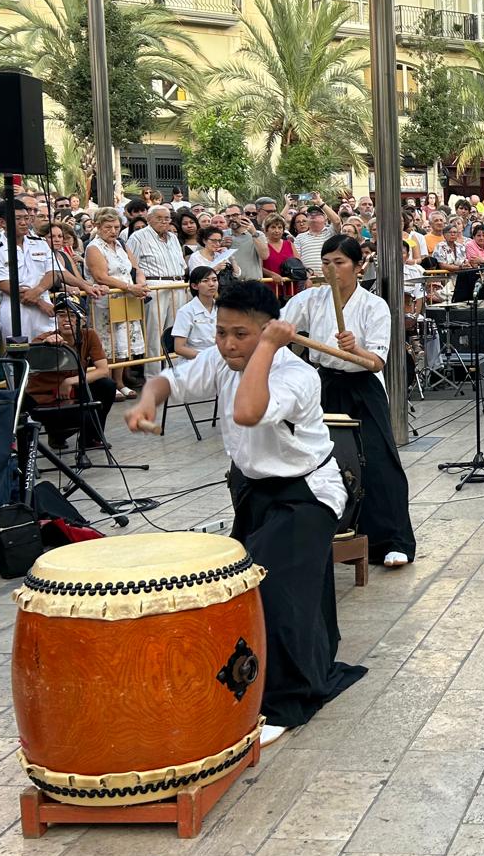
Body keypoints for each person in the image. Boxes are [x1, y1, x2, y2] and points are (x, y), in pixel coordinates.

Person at [126, 281, 366, 742]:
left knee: (272, 588)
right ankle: (291, 668)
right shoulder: (223, 358)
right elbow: (168, 379)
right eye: (221, 333)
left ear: (270, 331)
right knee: (271, 586)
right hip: (255, 490)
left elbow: (248, 412)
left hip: (308, 494)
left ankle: (285, 702)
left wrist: (271, 349)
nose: (228, 344)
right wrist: (147, 400)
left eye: (241, 334)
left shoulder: (296, 375)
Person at [280, 235, 416, 568]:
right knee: (322, 462)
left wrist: (354, 348)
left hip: (363, 386)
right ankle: (336, 535)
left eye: (339, 263)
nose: (331, 270)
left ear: (359, 265)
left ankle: (393, 540)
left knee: (378, 461)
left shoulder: (374, 306)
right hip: (325, 384)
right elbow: (280, 329)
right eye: (326, 263)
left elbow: (376, 362)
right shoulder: (311, 299)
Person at [26, 303, 115, 452]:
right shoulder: (45, 339)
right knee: (87, 416)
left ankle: (90, 439)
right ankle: (56, 433)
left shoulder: (89, 335)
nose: (66, 319)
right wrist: (45, 346)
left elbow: (103, 370)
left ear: (83, 320)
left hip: (72, 391)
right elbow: (31, 358)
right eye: (61, 315)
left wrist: (69, 381)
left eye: (72, 315)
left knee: (107, 385)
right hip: (46, 397)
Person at [85, 208, 150, 398]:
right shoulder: (93, 247)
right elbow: (100, 276)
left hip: (127, 299)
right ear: (98, 226)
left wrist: (140, 281)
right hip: (106, 301)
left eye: (116, 227)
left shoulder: (121, 244)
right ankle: (109, 383)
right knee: (109, 342)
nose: (113, 231)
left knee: (124, 342)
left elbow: (135, 266)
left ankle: (120, 382)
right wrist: (128, 287)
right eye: (108, 227)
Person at [129, 205, 189, 375]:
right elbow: (132, 264)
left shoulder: (173, 238)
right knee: (154, 334)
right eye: (159, 218)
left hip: (177, 285)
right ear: (149, 219)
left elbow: (181, 264)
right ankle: (153, 376)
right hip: (155, 286)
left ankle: (176, 372)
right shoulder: (138, 237)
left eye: (167, 218)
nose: (164, 221)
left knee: (177, 332)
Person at [0, 198, 57, 340]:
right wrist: (38, 302)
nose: (24, 223)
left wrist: (37, 292)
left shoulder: (40, 243)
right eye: (17, 219)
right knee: (19, 352)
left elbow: (53, 272)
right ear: (2, 222)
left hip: (44, 305)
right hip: (15, 306)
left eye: (26, 218)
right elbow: (3, 284)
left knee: (50, 350)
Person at [171, 266, 220, 359]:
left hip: (219, 358)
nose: (212, 284)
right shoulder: (185, 311)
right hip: (195, 362)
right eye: (205, 281)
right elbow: (179, 348)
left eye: (214, 280)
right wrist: (206, 358)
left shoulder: (222, 308)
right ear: (194, 286)